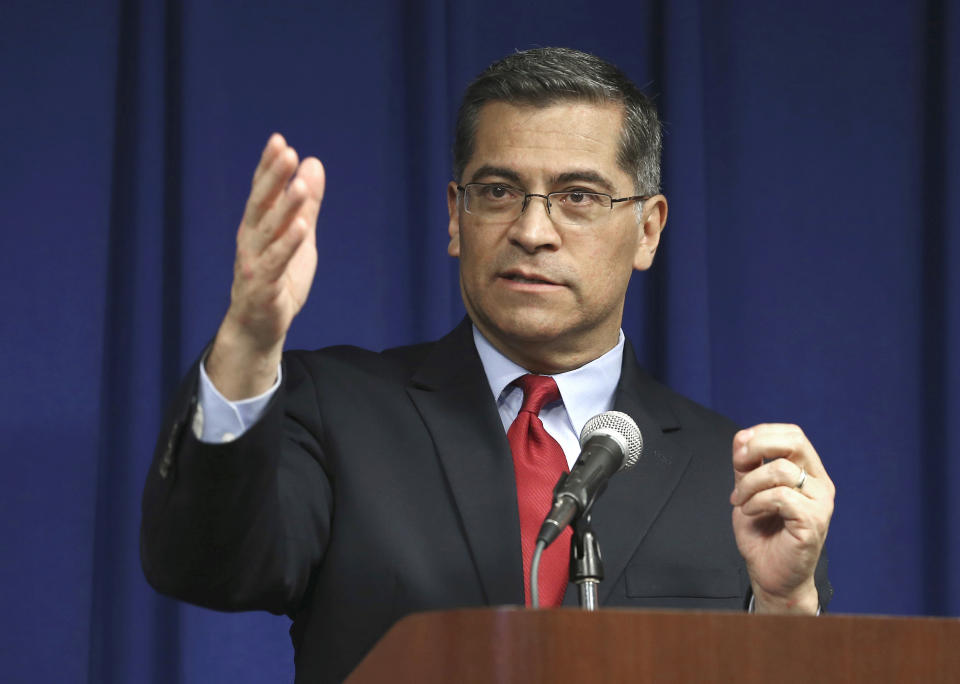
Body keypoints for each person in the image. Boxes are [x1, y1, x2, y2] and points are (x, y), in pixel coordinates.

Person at [141, 47, 834, 683]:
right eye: (499, 191)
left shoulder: (736, 477)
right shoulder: (333, 409)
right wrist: (249, 341)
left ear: (647, 229)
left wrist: (784, 608)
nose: (532, 231)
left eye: (579, 197)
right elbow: (206, 565)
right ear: (455, 215)